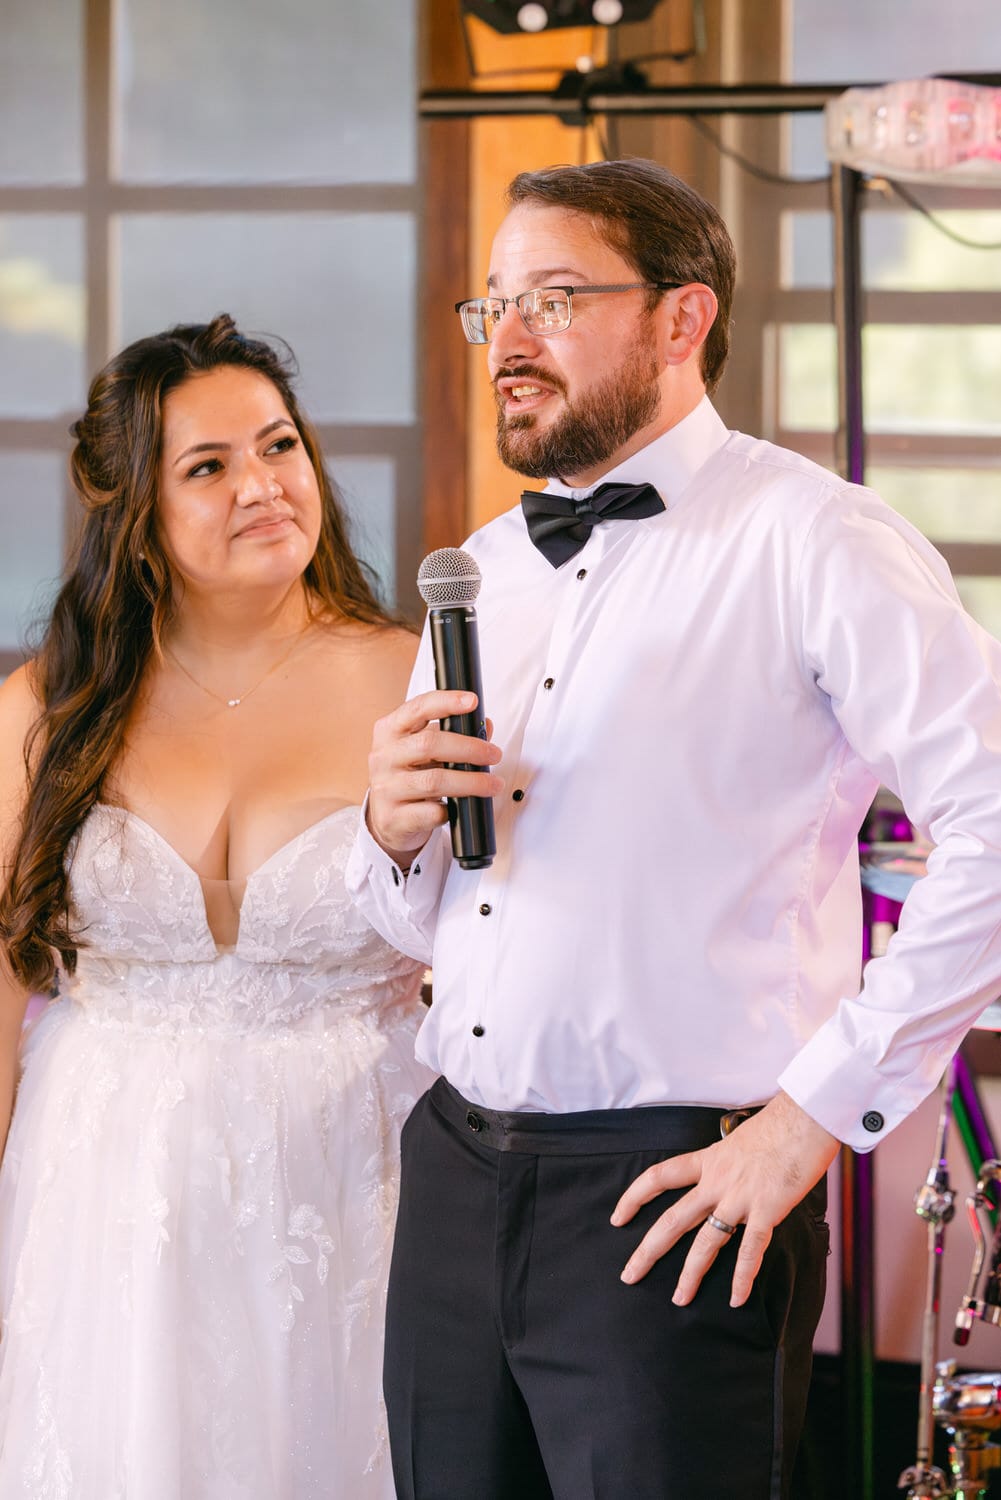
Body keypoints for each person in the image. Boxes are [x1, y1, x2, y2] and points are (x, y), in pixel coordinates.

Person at [346, 157, 1001, 1500]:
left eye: (554, 298)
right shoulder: (481, 570)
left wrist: (813, 1114)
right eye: (494, 307)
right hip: (455, 1176)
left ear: (681, 318)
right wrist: (391, 830)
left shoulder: (816, 541)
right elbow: (431, 915)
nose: (508, 340)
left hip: (680, 1195)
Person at [0, 313, 434, 1498]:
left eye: (279, 446)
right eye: (209, 465)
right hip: (107, 1182)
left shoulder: (415, 677)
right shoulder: (49, 706)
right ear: (132, 508)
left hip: (357, 1168)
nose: (262, 484)